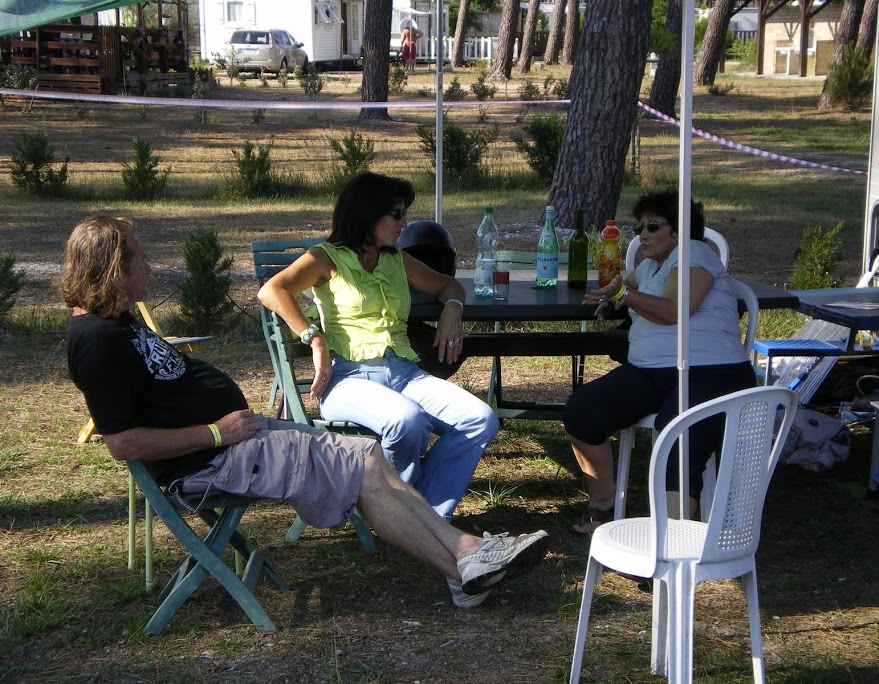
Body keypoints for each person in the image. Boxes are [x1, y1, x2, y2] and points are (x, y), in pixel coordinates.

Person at [60, 216, 548, 609]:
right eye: (140, 261)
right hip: (212, 462)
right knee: (362, 463)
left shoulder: (116, 322)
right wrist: (215, 432)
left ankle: (467, 562)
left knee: (369, 457)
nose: (149, 268)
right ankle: (467, 558)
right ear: (111, 271)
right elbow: (122, 443)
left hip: (238, 442)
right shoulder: (95, 341)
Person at [258, 172, 498, 522]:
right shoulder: (326, 258)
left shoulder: (395, 260)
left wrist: (452, 309)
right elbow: (272, 291)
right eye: (397, 214)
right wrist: (315, 338)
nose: (405, 223)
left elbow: (448, 285)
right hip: (346, 379)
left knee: (481, 419)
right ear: (368, 215)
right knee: (407, 420)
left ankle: (424, 516)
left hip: (403, 373)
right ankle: (399, 514)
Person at [563, 189, 756, 534]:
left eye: (652, 226)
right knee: (583, 409)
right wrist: (614, 290)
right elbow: (628, 281)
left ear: (679, 230)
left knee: (677, 441)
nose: (642, 235)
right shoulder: (653, 263)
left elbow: (673, 311)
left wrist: (624, 296)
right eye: (639, 228)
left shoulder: (695, 253)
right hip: (651, 372)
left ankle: (669, 541)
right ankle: (603, 505)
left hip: (709, 372)